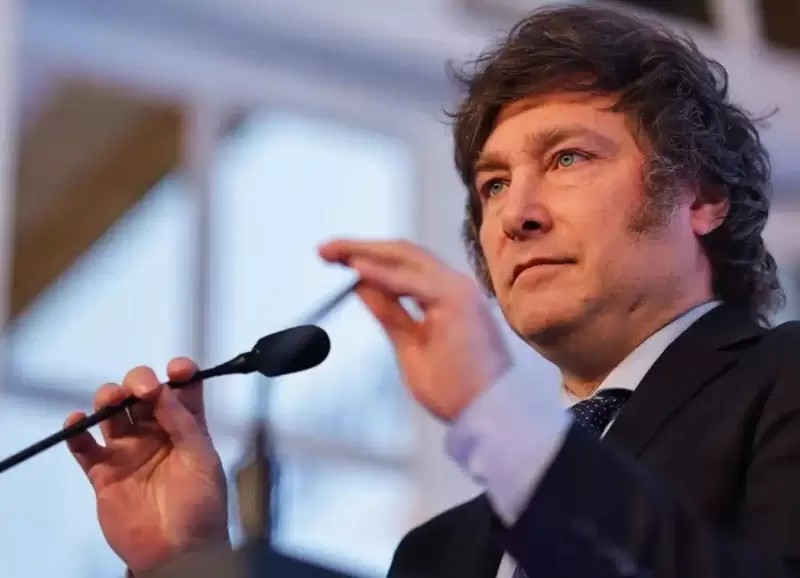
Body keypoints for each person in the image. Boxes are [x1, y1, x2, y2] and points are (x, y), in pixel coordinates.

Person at [69, 3, 800, 577]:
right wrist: (189, 562)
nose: (514, 215)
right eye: (494, 184)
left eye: (569, 158)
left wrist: (495, 414)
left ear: (703, 196)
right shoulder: (438, 553)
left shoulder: (783, 382)